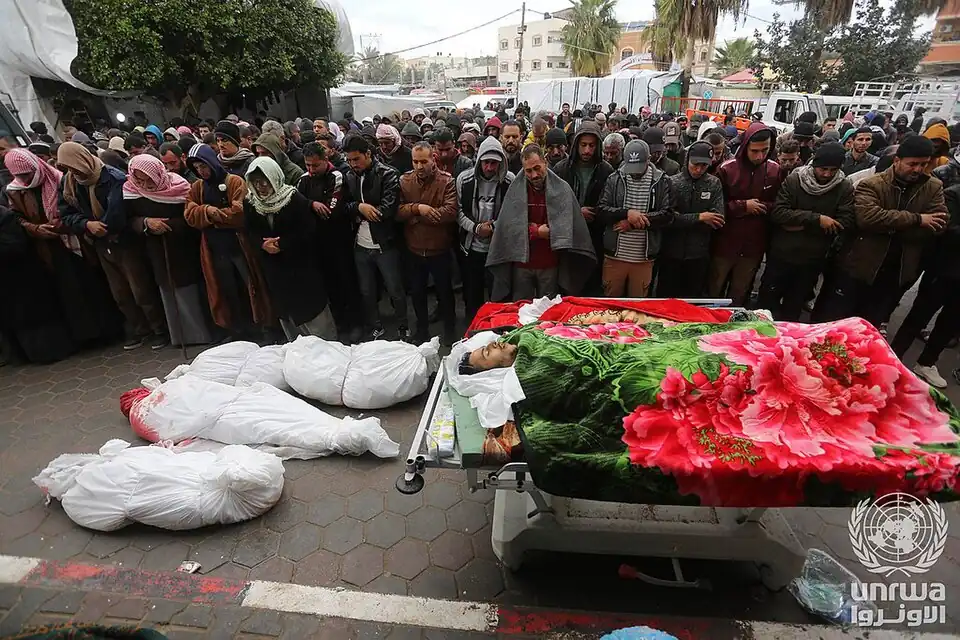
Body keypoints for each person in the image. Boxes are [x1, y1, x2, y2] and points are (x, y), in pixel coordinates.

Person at [815, 136, 947, 327]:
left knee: (868, 327)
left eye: (923, 164)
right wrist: (918, 220)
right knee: (837, 323)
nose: (918, 169)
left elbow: (939, 224)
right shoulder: (872, 184)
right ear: (897, 160)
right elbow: (868, 218)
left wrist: (891, 225)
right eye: (912, 164)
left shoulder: (933, 187)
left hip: (896, 272)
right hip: (860, 266)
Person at [3, 148, 122, 357]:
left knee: (89, 288)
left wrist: (60, 225)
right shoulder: (14, 191)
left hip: (74, 243)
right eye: (20, 176)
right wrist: (35, 229)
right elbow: (17, 218)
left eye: (28, 174)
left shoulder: (59, 180)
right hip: (45, 248)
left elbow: (71, 209)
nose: (25, 179)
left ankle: (107, 332)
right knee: (67, 295)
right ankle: (83, 337)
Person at [57, 142, 169, 349]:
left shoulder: (112, 177)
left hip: (123, 240)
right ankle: (140, 329)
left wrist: (102, 227)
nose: (73, 172)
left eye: (74, 166)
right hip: (98, 242)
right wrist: (86, 224)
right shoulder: (69, 183)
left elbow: (119, 211)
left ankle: (159, 329)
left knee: (141, 289)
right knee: (120, 292)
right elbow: (66, 213)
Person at [184, 143, 272, 340]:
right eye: (197, 168)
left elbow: (239, 214)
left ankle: (261, 327)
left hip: (238, 245)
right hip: (214, 248)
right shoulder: (197, 187)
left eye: (203, 166)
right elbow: (189, 215)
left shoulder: (234, 182)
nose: (201, 171)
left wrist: (215, 217)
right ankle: (237, 330)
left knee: (249, 285)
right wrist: (207, 211)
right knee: (225, 288)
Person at [486, 145, 596, 301]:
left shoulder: (562, 189)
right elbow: (508, 226)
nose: (534, 175)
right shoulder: (515, 190)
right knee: (522, 307)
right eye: (528, 171)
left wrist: (550, 231)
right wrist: (536, 232)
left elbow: (568, 226)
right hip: (521, 263)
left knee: (548, 309)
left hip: (550, 263)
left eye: (537, 168)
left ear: (546, 162)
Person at [123, 154, 212, 347]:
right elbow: (128, 220)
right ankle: (179, 337)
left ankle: (201, 336)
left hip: (183, 248)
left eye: (148, 179)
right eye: (139, 180)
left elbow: (191, 218)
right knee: (167, 291)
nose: (144, 185)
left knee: (189, 290)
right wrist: (145, 223)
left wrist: (169, 225)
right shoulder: (132, 191)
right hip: (154, 250)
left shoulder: (179, 187)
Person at [759, 142, 854, 321]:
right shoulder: (795, 180)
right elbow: (779, 213)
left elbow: (844, 222)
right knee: (766, 305)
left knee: (793, 307)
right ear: (814, 165)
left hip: (812, 258)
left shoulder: (844, 188)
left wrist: (798, 223)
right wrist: (817, 220)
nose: (827, 174)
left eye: (832, 170)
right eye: (823, 169)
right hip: (782, 254)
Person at [243, 157, 334, 341]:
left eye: (264, 181)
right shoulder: (251, 203)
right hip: (274, 269)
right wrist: (262, 244)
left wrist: (282, 244)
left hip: (300, 267)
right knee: (287, 315)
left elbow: (308, 231)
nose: (260, 187)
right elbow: (250, 232)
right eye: (256, 182)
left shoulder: (293, 199)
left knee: (313, 316)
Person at [889, 183, 960, 388]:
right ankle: (894, 356)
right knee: (919, 315)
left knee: (950, 322)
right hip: (943, 269)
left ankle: (927, 363)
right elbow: (944, 230)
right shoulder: (953, 194)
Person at [341, 135, 408, 341]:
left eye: (356, 159)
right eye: (349, 160)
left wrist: (359, 210)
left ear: (368, 154)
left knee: (395, 289)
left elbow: (386, 210)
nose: (353, 164)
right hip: (360, 244)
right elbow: (344, 207)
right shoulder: (349, 176)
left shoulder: (387, 173)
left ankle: (403, 325)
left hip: (385, 243)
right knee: (367, 291)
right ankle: (375, 325)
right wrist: (359, 207)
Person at [708, 123, 782, 307]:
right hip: (724, 243)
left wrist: (762, 206)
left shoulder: (774, 170)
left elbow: (781, 205)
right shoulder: (727, 169)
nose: (760, 156)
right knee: (714, 288)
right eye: (755, 151)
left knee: (740, 292)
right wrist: (742, 206)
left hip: (754, 245)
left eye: (765, 150)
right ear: (745, 146)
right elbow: (714, 206)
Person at [297, 142, 363, 343]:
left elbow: (331, 211)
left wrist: (311, 209)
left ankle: (357, 323)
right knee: (330, 286)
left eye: (315, 165)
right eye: (308, 165)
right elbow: (297, 207)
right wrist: (311, 204)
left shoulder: (337, 176)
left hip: (339, 241)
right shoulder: (303, 180)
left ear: (325, 160)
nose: (311, 170)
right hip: (316, 243)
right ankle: (339, 322)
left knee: (347, 283)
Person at [397, 142, 459, 343]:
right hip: (414, 249)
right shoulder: (405, 181)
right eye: (415, 162)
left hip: (439, 248)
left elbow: (449, 213)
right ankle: (421, 330)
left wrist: (415, 216)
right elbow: (397, 211)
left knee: (445, 293)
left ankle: (450, 330)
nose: (419, 166)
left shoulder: (447, 181)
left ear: (433, 159)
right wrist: (418, 209)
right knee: (417, 293)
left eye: (423, 161)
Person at [596, 139, 674, 297]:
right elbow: (601, 210)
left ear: (649, 160)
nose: (634, 172)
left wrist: (634, 222)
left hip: (644, 258)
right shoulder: (614, 179)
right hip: (615, 255)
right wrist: (626, 213)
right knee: (611, 301)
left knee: (638, 303)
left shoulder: (662, 181)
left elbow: (668, 215)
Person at [456, 136, 515, 321]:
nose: (489, 167)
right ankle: (473, 327)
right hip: (471, 246)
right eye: (486, 162)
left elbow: (513, 211)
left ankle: (497, 327)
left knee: (498, 293)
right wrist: (476, 228)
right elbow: (458, 211)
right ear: (479, 160)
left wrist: (494, 227)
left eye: (494, 163)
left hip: (497, 248)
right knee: (472, 293)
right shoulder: (464, 180)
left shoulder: (509, 181)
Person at [553, 121, 614, 296]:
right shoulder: (562, 169)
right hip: (567, 237)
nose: (587, 150)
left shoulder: (606, 171)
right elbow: (553, 203)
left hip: (595, 237)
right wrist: (577, 212)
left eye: (592, 146)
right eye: (583, 145)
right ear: (576, 145)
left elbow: (610, 203)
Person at [657, 141, 724, 298]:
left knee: (693, 299)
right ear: (687, 160)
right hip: (671, 253)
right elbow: (667, 218)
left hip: (698, 254)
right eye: (695, 164)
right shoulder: (672, 182)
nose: (699, 169)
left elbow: (717, 218)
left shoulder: (713, 183)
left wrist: (683, 219)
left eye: (704, 165)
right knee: (665, 298)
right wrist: (699, 217)